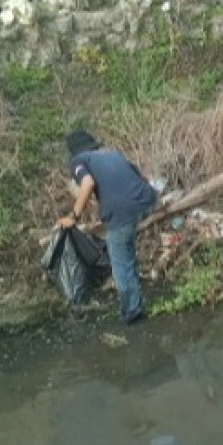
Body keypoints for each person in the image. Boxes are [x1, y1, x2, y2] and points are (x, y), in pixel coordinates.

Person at [55, 130, 158, 324]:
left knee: (120, 261)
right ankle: (134, 294)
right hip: (149, 199)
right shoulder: (112, 154)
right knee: (124, 245)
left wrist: (73, 216)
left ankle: (132, 313)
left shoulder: (78, 161)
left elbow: (87, 183)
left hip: (123, 212)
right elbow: (139, 176)